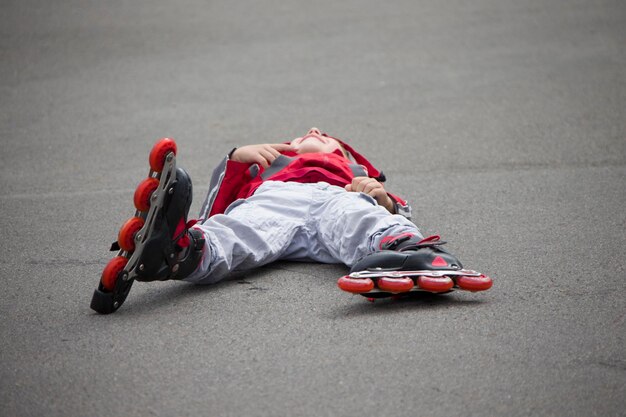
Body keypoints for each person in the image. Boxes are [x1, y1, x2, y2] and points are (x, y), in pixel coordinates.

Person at [92, 128, 491, 313]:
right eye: (303, 136)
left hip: (336, 200)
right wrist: (235, 158)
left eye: (326, 136)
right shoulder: (263, 174)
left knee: (357, 216)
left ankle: (407, 251)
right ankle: (181, 253)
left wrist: (381, 197)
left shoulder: (351, 176)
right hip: (274, 203)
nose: (313, 131)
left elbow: (396, 209)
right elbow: (216, 209)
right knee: (238, 230)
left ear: (345, 156)